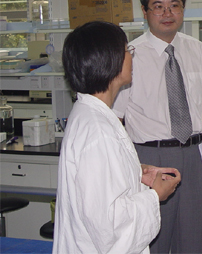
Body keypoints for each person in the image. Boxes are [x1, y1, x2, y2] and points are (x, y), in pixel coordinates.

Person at [113, 0, 202, 254]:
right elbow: (115, 120)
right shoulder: (129, 56)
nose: (167, 13)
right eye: (158, 6)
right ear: (145, 11)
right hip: (150, 159)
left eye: (174, 5)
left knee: (193, 242)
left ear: (183, 8)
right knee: (152, 242)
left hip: (195, 156)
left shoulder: (197, 50)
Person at [54, 21, 181, 254]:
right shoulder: (98, 131)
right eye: (126, 50)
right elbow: (109, 228)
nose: (131, 56)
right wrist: (155, 196)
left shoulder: (93, 115)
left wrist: (135, 172)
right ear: (109, 60)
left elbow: (99, 188)